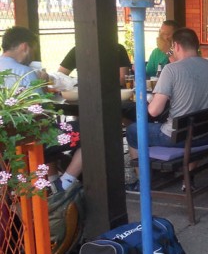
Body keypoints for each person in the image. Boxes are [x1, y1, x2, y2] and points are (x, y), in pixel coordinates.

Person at [126, 27, 208, 170]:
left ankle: (142, 177)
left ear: (176, 46)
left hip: (180, 138)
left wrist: (148, 99)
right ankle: (188, 176)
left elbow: (154, 111)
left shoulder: (171, 70)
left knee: (133, 130)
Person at [1, 26, 82, 193]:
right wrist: (43, 85)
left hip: (6, 142)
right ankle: (64, 184)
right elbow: (42, 112)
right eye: (33, 50)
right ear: (25, 47)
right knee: (93, 131)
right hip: (29, 139)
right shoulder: (25, 72)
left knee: (50, 129)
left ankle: (52, 182)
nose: (32, 56)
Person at [58, 42, 131, 87]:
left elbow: (123, 79)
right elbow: (60, 75)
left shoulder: (118, 48)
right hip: (84, 92)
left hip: (113, 93)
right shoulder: (77, 50)